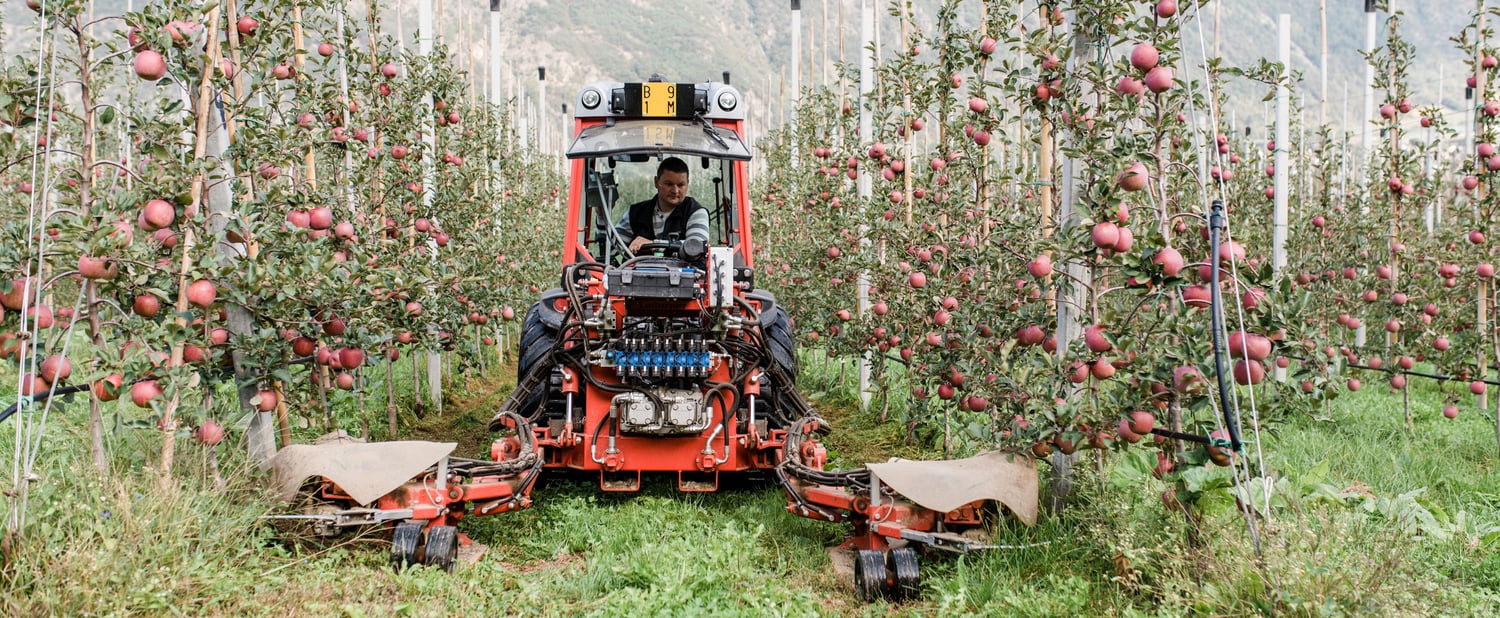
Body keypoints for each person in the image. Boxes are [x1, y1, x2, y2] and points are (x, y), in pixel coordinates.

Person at [614, 156, 710, 253]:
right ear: (656, 182)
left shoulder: (696, 213)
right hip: (639, 268)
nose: (675, 191)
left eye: (680, 185)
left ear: (688, 183)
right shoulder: (635, 213)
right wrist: (601, 216)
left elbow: (696, 248)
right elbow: (611, 248)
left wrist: (653, 244)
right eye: (669, 184)